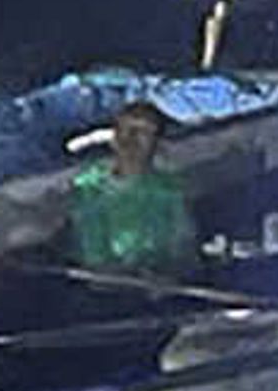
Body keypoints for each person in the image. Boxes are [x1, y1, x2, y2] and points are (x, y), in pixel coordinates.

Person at [68, 98, 199, 280]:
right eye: (125, 130)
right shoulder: (88, 187)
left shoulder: (169, 190)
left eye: (143, 132)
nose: (131, 138)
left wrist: (167, 274)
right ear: (113, 139)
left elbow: (184, 248)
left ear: (156, 144)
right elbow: (91, 252)